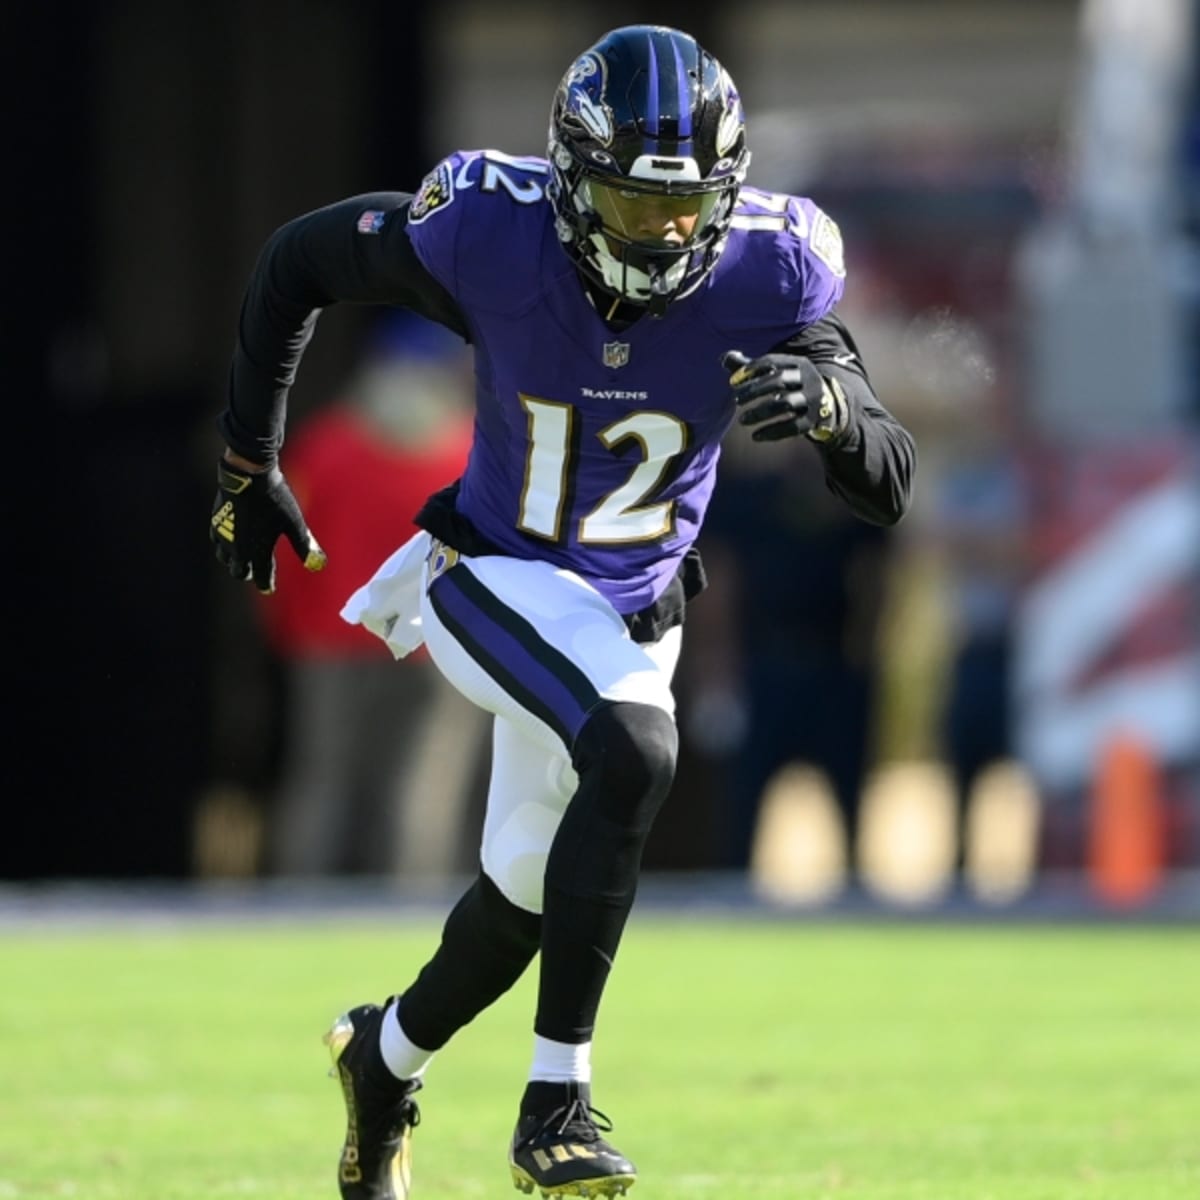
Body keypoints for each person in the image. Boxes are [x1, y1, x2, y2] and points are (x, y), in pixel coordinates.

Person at [208, 24, 915, 1199]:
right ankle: (558, 1101)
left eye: (688, 212)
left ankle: (383, 1060)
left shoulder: (769, 270)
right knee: (637, 749)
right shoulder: (489, 234)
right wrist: (249, 459)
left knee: (535, 892)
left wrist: (840, 411)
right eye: (638, 211)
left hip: (634, 614)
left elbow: (886, 484)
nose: (668, 237)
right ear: (575, 184)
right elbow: (295, 264)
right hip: (487, 571)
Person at [255, 310, 485, 878]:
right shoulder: (470, 452)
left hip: (329, 642)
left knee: (322, 781)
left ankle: (293, 909)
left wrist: (281, 629)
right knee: (424, 786)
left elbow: (278, 548)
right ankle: (411, 916)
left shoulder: (325, 447)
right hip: (437, 647)